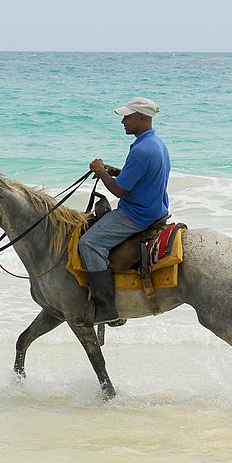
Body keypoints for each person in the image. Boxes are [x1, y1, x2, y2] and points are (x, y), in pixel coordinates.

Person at [78, 97, 171, 325]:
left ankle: (107, 307)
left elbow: (119, 191)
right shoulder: (155, 144)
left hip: (137, 214)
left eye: (127, 117)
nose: (123, 122)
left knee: (88, 243)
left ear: (141, 118)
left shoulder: (141, 150)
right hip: (156, 208)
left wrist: (101, 172)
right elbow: (139, 176)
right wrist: (115, 170)